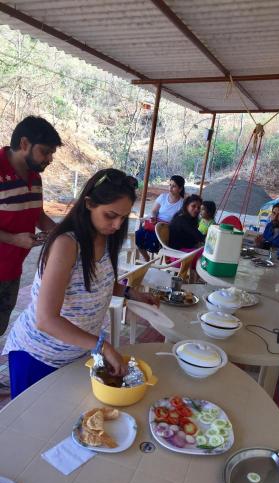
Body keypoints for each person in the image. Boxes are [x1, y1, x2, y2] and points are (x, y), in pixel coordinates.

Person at [2, 168, 158, 399]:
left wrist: (129, 292)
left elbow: (99, 281)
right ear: (88, 203)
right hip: (39, 355)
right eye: (111, 215)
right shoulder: (66, 244)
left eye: (124, 217)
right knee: (33, 429)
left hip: (77, 354)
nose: (117, 225)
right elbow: (46, 319)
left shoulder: (105, 238)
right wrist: (102, 346)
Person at [0, 116, 62, 394]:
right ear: (24, 143)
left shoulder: (35, 177)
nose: (49, 158)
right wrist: (13, 238)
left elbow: (35, 212)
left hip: (11, 271)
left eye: (51, 153)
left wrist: (60, 233)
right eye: (45, 151)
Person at [135, 175, 185, 261]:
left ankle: (164, 258)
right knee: (138, 235)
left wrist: (165, 224)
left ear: (180, 189)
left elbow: (178, 222)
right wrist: (153, 217)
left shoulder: (182, 203)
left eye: (174, 186)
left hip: (167, 228)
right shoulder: (163, 197)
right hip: (155, 223)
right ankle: (147, 258)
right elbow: (154, 211)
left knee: (156, 239)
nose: (170, 188)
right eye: (170, 185)